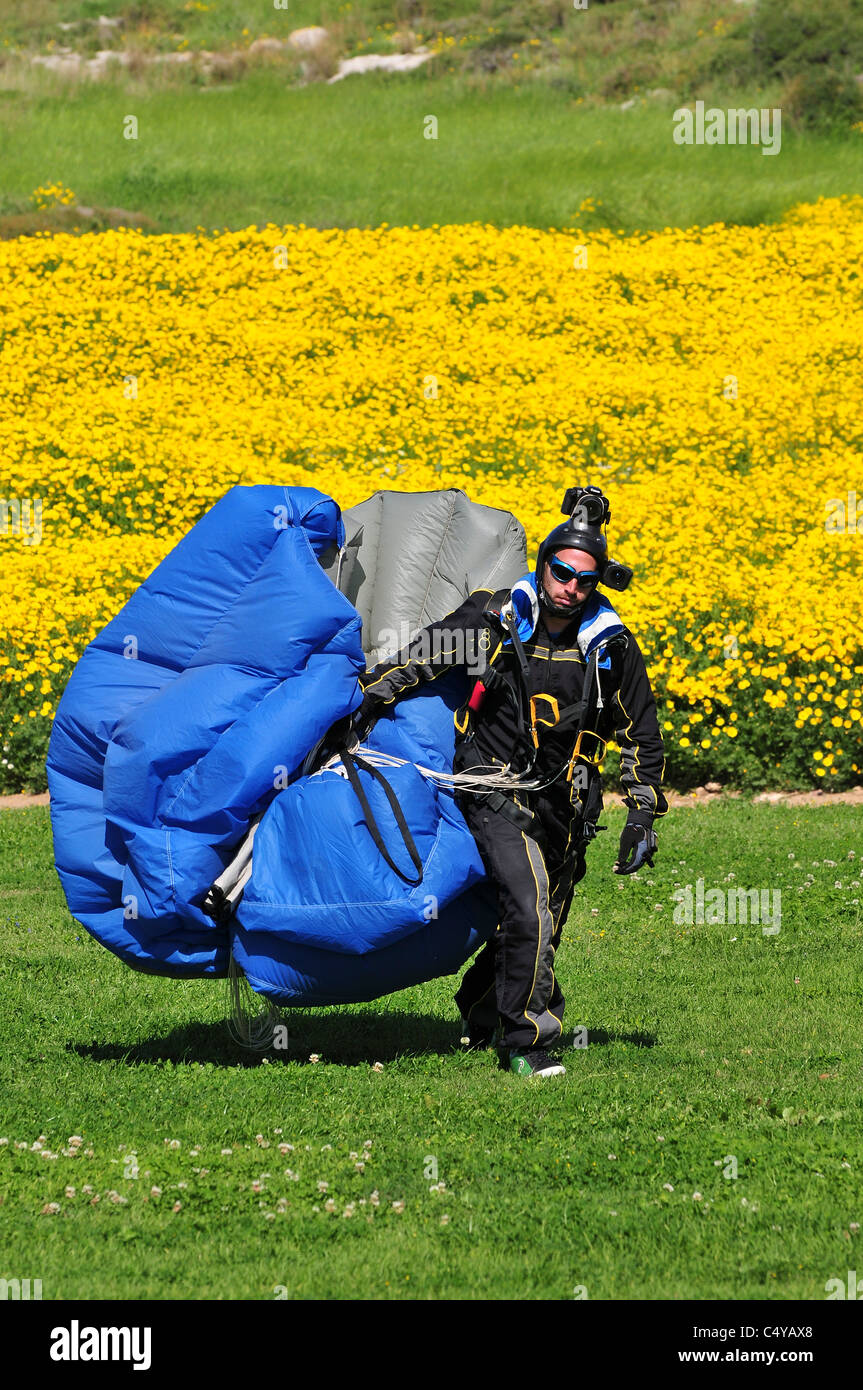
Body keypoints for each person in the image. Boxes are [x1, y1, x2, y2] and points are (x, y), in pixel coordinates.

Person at [351, 486, 668, 1078]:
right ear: (543, 565)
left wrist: (642, 814)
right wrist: (365, 698)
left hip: (568, 805)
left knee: (537, 925)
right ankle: (528, 1042)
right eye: (561, 572)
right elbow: (421, 657)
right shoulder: (497, 617)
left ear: (597, 583)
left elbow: (641, 733)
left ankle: (481, 1014)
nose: (569, 587)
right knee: (530, 905)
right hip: (494, 784)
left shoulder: (611, 646)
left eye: (584, 579)